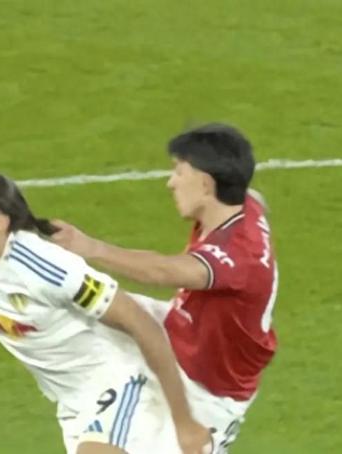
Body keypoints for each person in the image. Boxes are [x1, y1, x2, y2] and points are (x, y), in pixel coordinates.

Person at [0, 171, 211, 454]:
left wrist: (184, 422)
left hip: (120, 377)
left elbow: (141, 323)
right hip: (72, 403)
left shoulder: (49, 269)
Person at [51, 123, 279, 452]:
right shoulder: (236, 206)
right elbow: (256, 199)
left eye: (179, 171)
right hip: (181, 330)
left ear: (205, 184)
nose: (170, 182)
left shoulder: (238, 256)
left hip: (207, 392)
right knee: (69, 298)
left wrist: (91, 247)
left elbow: (163, 270)